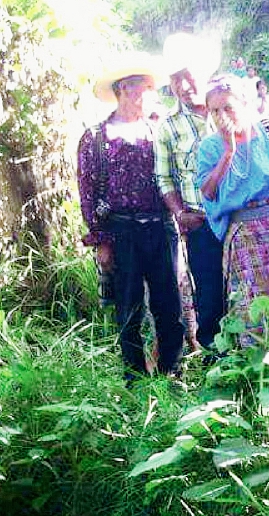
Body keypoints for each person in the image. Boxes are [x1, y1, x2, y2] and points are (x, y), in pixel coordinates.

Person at [77, 56, 184, 377]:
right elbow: (88, 192)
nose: (151, 95)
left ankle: (172, 371)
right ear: (125, 90)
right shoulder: (95, 138)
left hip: (160, 228)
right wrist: (101, 241)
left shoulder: (157, 130)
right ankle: (135, 377)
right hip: (121, 233)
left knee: (169, 305)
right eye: (145, 89)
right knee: (129, 308)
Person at [195, 76, 269, 330]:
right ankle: (259, 364)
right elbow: (207, 192)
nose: (221, 116)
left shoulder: (268, 130)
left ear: (244, 104)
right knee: (255, 305)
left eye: (228, 107)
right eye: (215, 111)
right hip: (246, 232)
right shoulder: (209, 147)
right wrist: (228, 153)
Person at [155, 34, 226, 353]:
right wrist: (180, 213)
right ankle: (219, 371)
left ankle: (263, 369)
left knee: (254, 294)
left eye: (187, 75)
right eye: (175, 79)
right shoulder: (169, 127)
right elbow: (164, 177)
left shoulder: (227, 107)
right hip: (201, 224)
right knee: (209, 299)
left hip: (242, 221)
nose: (183, 86)